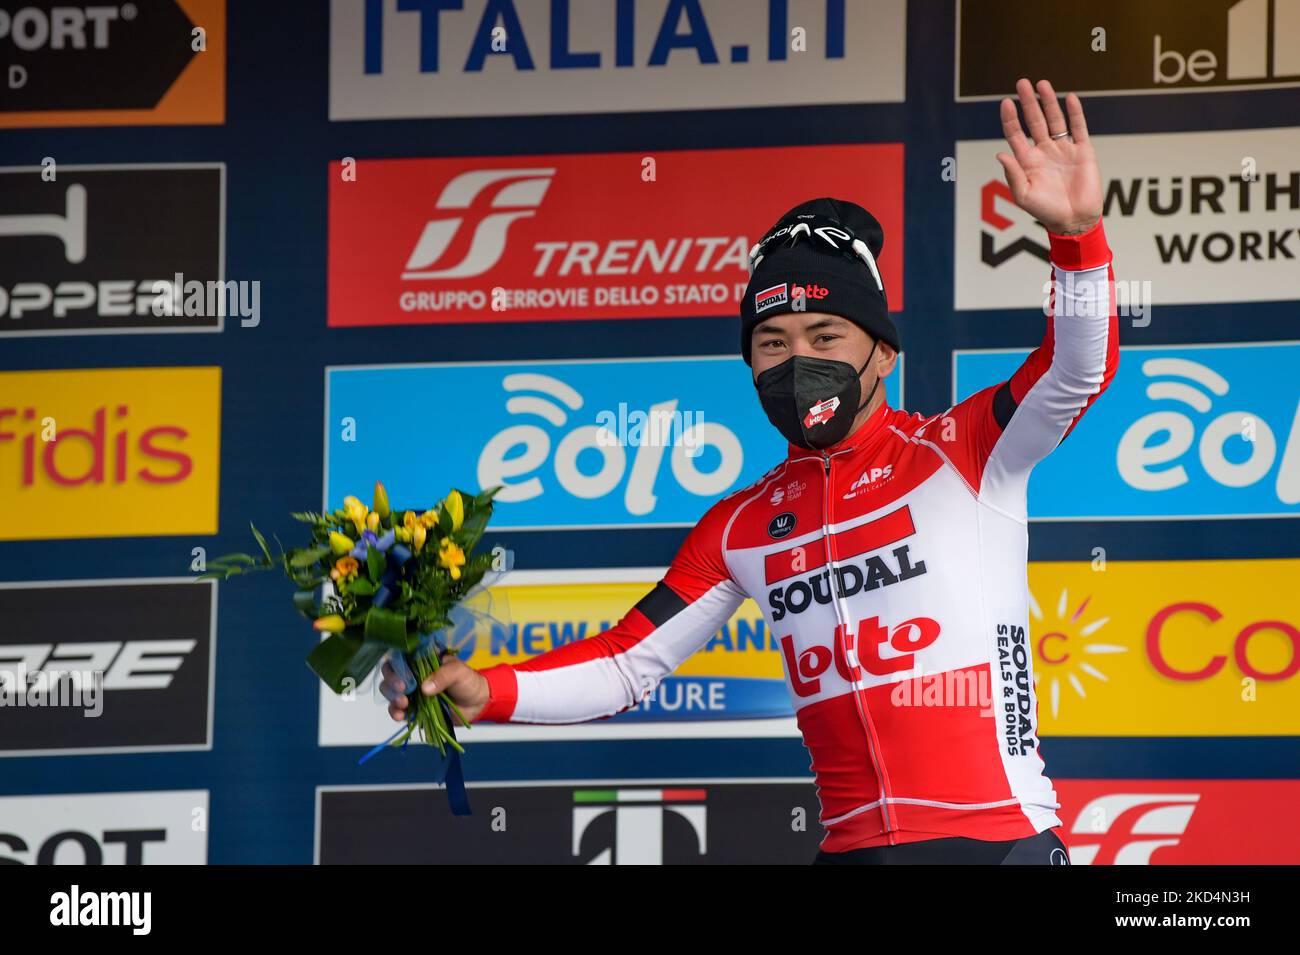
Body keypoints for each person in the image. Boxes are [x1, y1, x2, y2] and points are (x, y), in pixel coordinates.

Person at [381, 78, 1117, 865]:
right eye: (772, 342)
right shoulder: (740, 523)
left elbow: (1074, 370)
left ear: (884, 354)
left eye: (826, 334)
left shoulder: (962, 450)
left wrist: (1076, 237)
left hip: (998, 842)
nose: (799, 359)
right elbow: (628, 663)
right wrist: (484, 691)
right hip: (853, 853)